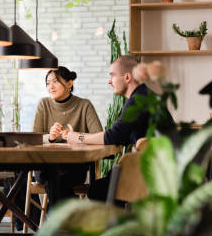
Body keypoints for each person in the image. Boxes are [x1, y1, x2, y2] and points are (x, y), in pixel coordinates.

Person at [61, 56, 175, 200]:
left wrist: (77, 137)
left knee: (97, 190)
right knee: (104, 183)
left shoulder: (138, 101)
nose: (109, 81)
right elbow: (120, 134)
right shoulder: (143, 96)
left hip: (157, 176)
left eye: (112, 76)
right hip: (163, 171)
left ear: (127, 77)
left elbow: (113, 136)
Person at [32, 66, 103, 199]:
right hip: (46, 164)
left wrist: (76, 136)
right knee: (55, 180)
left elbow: (98, 135)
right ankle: (66, 218)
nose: (50, 87)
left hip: (74, 166)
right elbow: (34, 138)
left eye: (55, 81)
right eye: (48, 83)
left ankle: (56, 219)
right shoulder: (44, 104)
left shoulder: (84, 105)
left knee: (56, 182)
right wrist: (50, 137)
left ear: (69, 83)